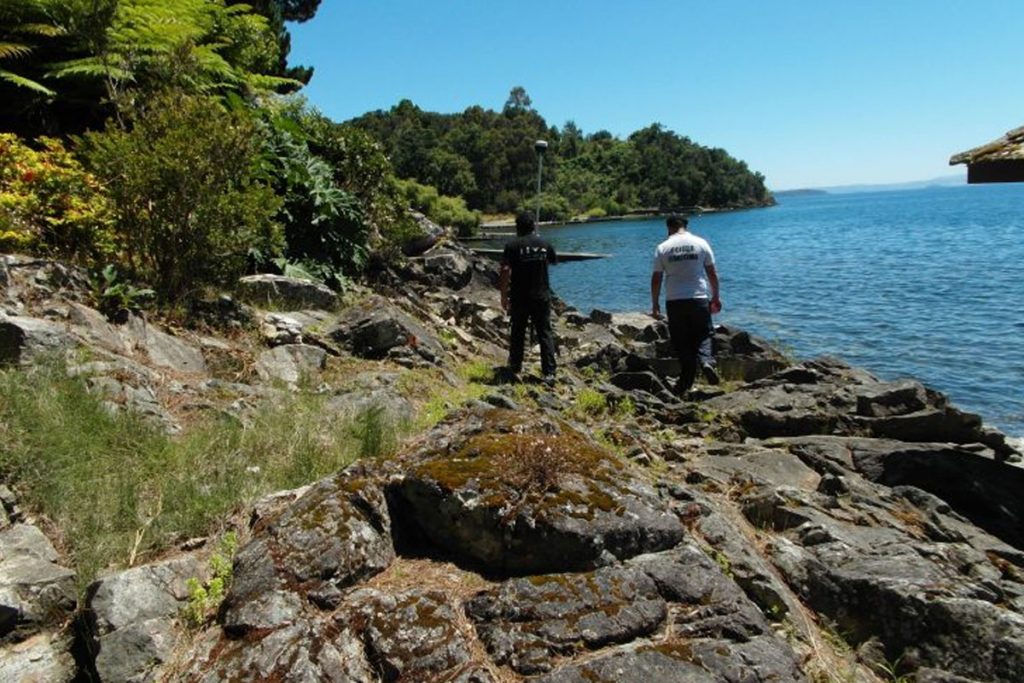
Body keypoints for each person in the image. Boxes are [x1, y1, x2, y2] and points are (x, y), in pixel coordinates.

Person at [650, 214, 721, 396]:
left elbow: (656, 279)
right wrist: (715, 297)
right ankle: (706, 362)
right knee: (704, 333)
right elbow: (712, 273)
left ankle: (683, 385)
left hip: (674, 301)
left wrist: (655, 304)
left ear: (669, 228)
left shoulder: (662, 247)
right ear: (685, 226)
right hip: (698, 298)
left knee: (682, 342)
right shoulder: (701, 243)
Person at [499, 212, 558, 384]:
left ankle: (515, 366)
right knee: (544, 333)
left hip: (520, 296)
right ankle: (549, 373)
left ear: (517, 228)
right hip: (541, 296)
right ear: (533, 226)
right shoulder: (545, 243)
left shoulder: (512, 245)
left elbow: (504, 270)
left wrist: (503, 295)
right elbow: (553, 261)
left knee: (518, 331)